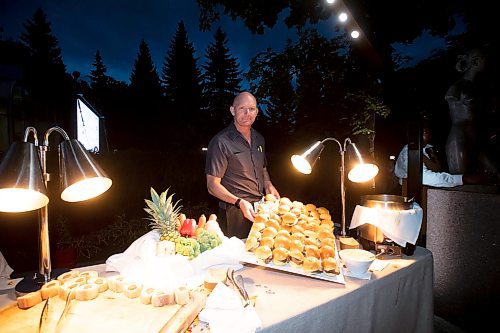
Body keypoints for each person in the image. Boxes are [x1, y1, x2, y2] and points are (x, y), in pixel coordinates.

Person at [205, 92, 280, 239]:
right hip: (234, 212)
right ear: (232, 110)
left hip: (261, 208)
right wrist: (239, 202)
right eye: (242, 108)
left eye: (251, 109)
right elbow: (212, 185)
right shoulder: (221, 141)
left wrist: (268, 184)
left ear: (257, 111)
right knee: (236, 259)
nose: (247, 113)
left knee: (259, 254)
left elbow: (263, 168)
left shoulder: (259, 139)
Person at [394, 121, 495, 188]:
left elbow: (438, 168)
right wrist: (464, 178)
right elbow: (425, 178)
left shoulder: (429, 149)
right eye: (425, 132)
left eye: (429, 133)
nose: (428, 136)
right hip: (410, 192)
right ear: (415, 133)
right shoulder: (409, 153)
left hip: (430, 189)